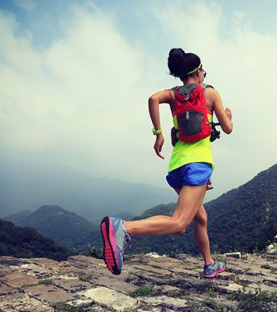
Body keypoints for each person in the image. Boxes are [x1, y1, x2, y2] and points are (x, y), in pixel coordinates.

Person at [101, 48, 233, 278]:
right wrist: (228, 116)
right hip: (199, 164)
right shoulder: (211, 93)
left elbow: (153, 99)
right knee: (180, 222)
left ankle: (209, 263)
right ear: (199, 71)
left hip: (177, 167)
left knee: (200, 217)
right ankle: (123, 228)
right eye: (203, 71)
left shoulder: (173, 95)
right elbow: (228, 129)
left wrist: (158, 134)